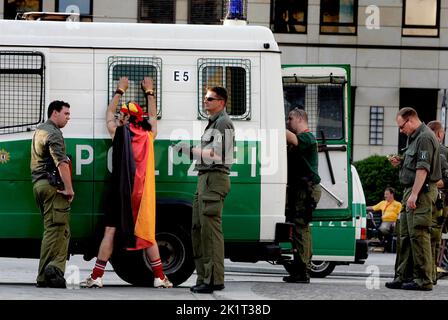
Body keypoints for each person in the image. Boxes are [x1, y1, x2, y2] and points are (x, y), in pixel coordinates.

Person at [81, 76, 172, 288]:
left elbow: (108, 115)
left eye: (122, 114)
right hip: (142, 193)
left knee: (110, 231)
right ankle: (159, 276)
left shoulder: (119, 133)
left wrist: (120, 90)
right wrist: (149, 91)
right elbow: (152, 116)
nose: (119, 116)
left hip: (120, 192)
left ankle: (96, 276)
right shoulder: (149, 135)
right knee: (147, 233)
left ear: (125, 118)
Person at [174, 86, 234, 293]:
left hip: (214, 179)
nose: (206, 101)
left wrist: (189, 150)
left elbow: (220, 156)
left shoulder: (223, 122)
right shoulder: (214, 123)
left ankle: (214, 280)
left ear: (221, 102)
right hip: (205, 179)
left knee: (210, 232)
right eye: (206, 98)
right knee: (198, 231)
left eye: (210, 99)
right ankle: (204, 278)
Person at [385, 107, 441, 291]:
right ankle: (406, 277)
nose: (401, 130)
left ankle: (423, 280)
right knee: (406, 235)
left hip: (421, 192)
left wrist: (415, 194)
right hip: (412, 190)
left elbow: (423, 169)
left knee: (419, 235)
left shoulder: (424, 137)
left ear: (410, 120)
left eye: (401, 126)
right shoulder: (415, 137)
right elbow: (415, 163)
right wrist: (401, 161)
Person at [31, 100, 74, 288]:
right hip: (52, 187)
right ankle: (50, 271)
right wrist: (69, 188)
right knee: (55, 230)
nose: (68, 117)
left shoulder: (40, 130)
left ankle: (52, 272)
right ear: (54, 113)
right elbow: (61, 163)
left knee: (61, 231)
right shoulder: (53, 133)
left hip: (39, 185)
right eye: (66, 113)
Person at [283, 108, 321, 283]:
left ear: (299, 119)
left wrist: (273, 125)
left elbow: (292, 139)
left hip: (306, 190)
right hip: (301, 189)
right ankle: (301, 268)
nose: (287, 122)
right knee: (300, 228)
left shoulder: (307, 137)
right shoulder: (302, 140)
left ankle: (302, 270)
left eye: (290, 118)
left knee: (301, 228)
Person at [427, 120, 448, 283]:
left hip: (434, 201)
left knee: (434, 236)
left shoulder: (428, 149)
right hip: (441, 201)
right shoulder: (443, 151)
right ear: (440, 133)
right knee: (438, 236)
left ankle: (433, 269)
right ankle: (436, 268)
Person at [366, 187, 402, 252]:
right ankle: (385, 242)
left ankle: (385, 243)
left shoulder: (398, 204)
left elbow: (400, 214)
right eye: (385, 194)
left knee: (384, 228)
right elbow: (373, 207)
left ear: (392, 194)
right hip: (385, 221)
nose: (385, 196)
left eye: (387, 194)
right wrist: (362, 207)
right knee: (382, 228)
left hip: (394, 222)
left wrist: (397, 221)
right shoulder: (383, 203)